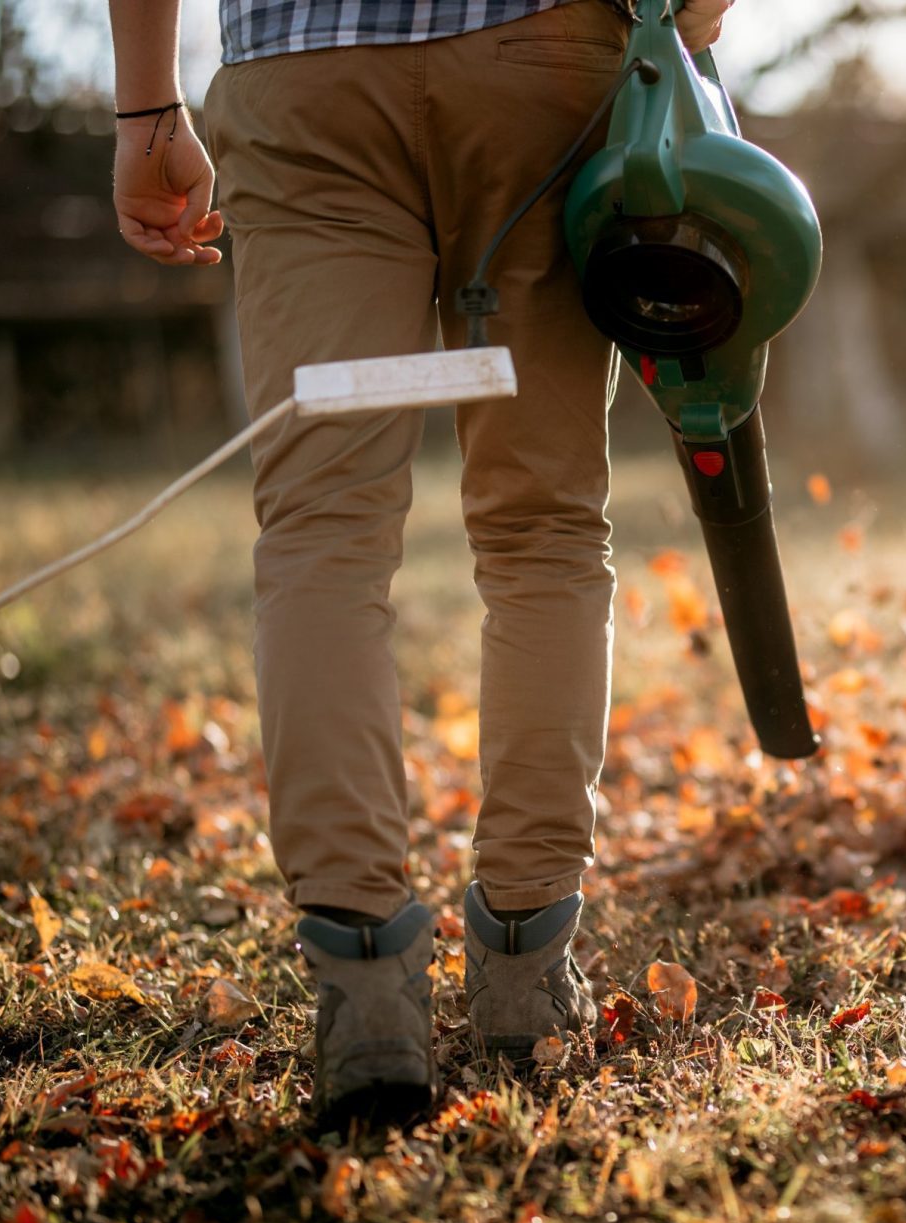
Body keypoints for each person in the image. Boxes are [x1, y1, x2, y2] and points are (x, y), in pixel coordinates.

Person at [106, 0, 733, 1123]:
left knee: (319, 534)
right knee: (542, 524)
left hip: (306, 80)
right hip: (538, 63)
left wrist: (149, 106)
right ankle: (527, 963)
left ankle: (364, 993)